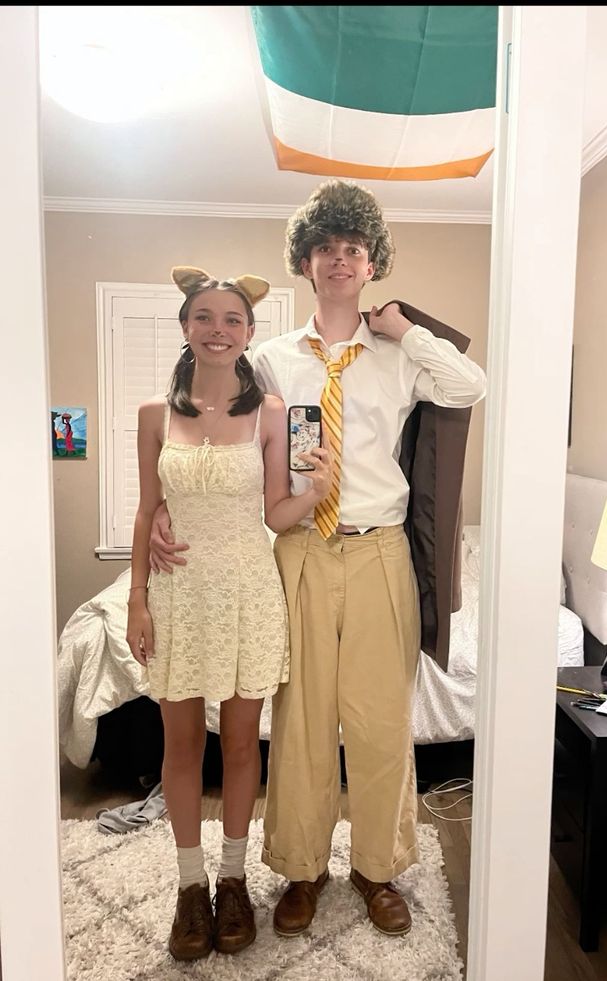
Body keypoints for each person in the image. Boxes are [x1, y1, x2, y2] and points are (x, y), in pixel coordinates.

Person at [150, 180, 487, 938]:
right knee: (298, 721)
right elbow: (209, 428)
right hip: (298, 550)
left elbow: (472, 385)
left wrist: (406, 328)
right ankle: (302, 867)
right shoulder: (268, 360)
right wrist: (169, 502)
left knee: (378, 720)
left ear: (372, 266)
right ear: (307, 261)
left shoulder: (401, 356)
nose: (340, 260)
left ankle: (377, 867)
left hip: (380, 552)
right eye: (328, 248)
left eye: (355, 250)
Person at [126, 266, 331, 962]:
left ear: (249, 333)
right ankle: (190, 888)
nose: (219, 330)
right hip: (178, 595)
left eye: (233, 320)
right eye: (205, 317)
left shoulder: (272, 412)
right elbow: (146, 509)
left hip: (248, 590)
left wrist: (317, 491)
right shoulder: (155, 413)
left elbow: (275, 511)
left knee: (242, 745)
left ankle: (234, 878)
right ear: (186, 326)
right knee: (181, 745)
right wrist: (135, 597)